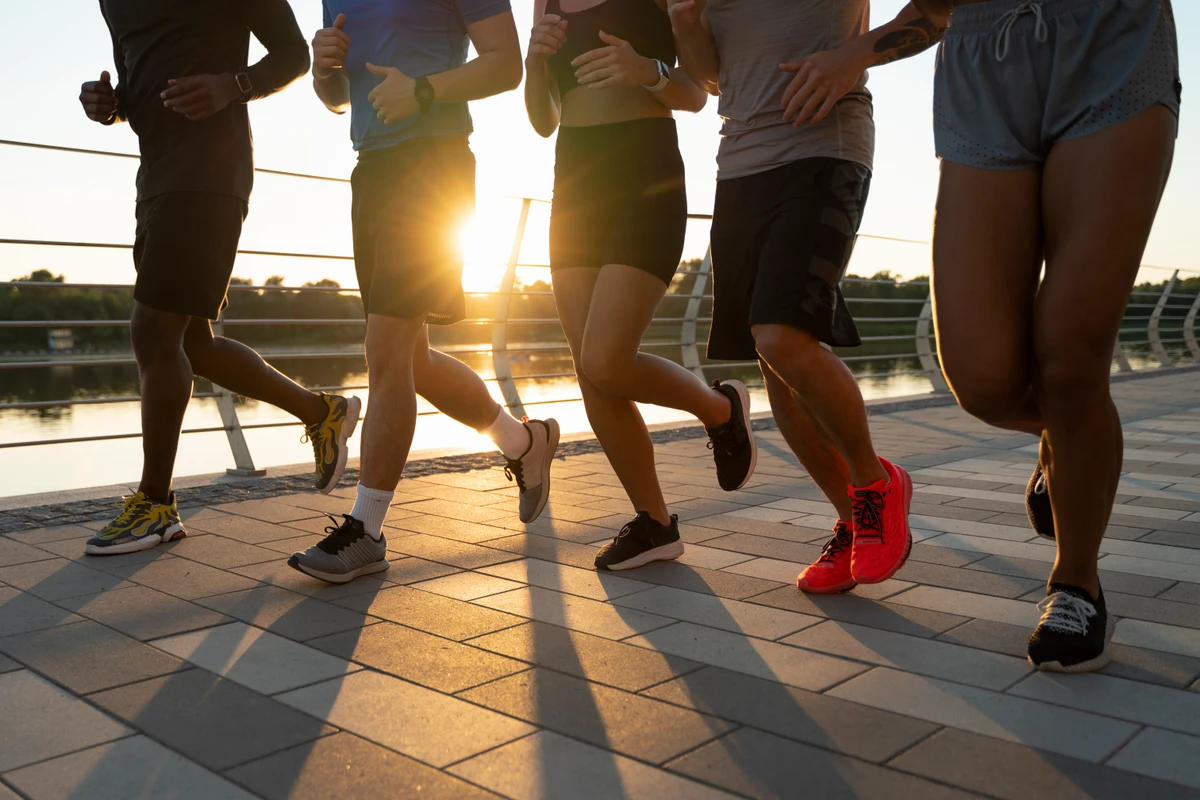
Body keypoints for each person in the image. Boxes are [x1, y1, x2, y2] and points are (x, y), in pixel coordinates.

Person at [896, 0, 1176, 672]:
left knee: (1070, 362)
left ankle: (1075, 582)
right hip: (979, 55)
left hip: (1112, 33)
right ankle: (1072, 440)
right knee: (983, 382)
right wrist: (853, 52)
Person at [668, 0, 941, 592]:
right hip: (740, 161)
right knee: (774, 358)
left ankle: (875, 486)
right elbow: (715, 78)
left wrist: (853, 56)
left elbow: (937, 13)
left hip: (825, 142)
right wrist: (686, 22)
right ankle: (851, 520)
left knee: (780, 335)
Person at [290, 0, 558, 584]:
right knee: (407, 357)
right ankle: (522, 442)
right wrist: (324, 70)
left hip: (433, 167)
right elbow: (340, 98)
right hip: (372, 170)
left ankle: (367, 530)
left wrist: (425, 91)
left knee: (385, 349)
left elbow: (506, 64)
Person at [80, 0, 362, 556]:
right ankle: (322, 410)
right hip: (156, 173)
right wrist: (110, 105)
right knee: (192, 343)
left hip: (211, 169)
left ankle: (156, 505)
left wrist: (235, 84)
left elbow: (292, 53)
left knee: (153, 331)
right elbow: (139, 75)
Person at [524, 0, 757, 572]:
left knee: (605, 359)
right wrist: (535, 65)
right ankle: (655, 523)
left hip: (644, 172)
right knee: (591, 371)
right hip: (575, 180)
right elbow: (541, 119)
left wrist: (646, 71)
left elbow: (699, 93)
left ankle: (720, 411)